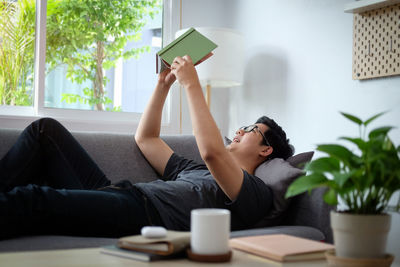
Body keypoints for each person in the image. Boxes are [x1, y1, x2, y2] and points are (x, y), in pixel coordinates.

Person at [0, 55, 293, 239]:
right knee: (45, 130)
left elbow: (213, 151)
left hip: (140, 214)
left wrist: (192, 84)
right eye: (242, 125)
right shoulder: (196, 170)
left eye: (252, 129)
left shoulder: (256, 191)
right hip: (118, 192)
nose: (240, 130)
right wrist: (163, 85)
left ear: (266, 150)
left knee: (32, 199)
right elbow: (147, 139)